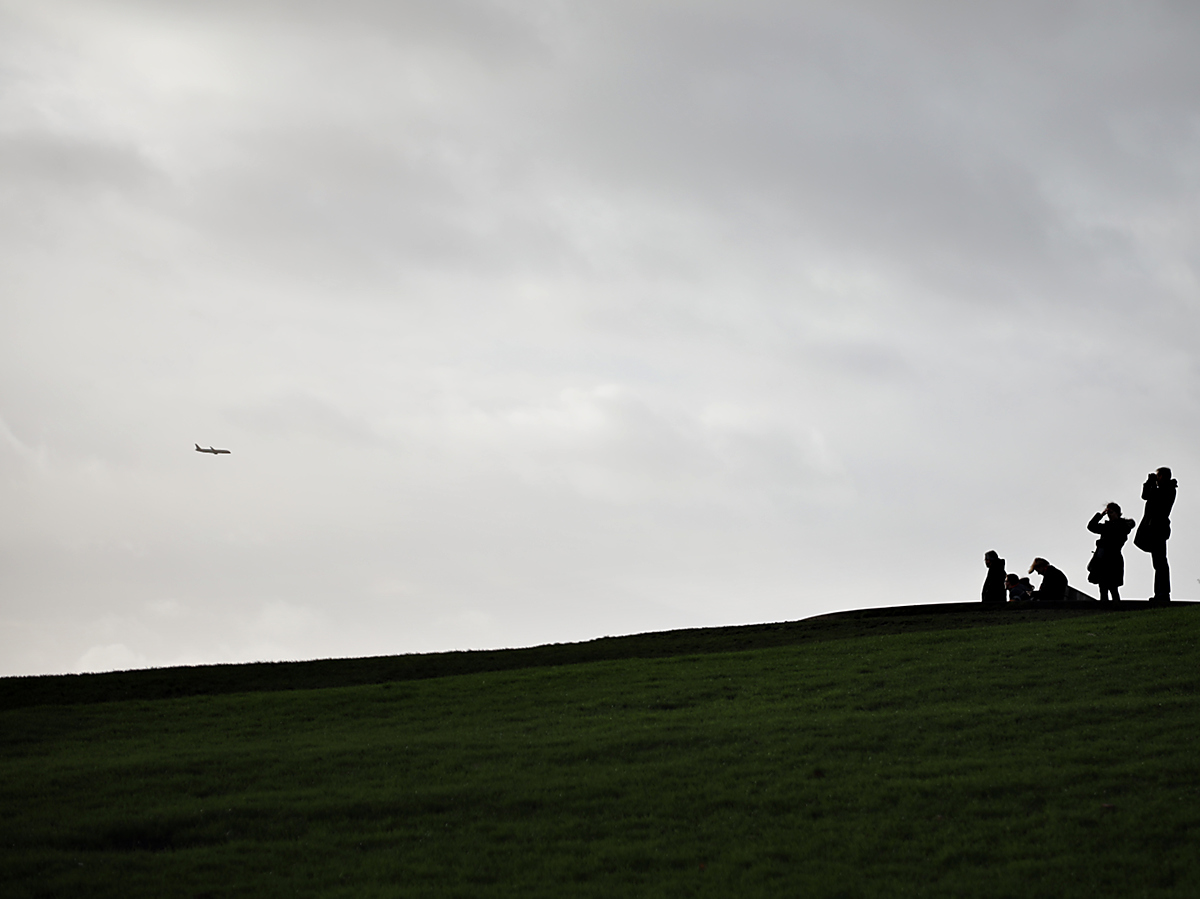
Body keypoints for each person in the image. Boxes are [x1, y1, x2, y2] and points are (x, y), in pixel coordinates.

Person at [1134, 467, 1177, 603]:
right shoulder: (1160, 489)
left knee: (1161, 563)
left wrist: (1152, 484)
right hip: (1153, 530)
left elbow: (1156, 499)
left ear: (1163, 477)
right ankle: (1159, 593)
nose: (1156, 479)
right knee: (1158, 563)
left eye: (1158, 476)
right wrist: (1149, 482)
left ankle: (1163, 593)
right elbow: (1145, 496)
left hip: (1159, 530)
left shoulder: (1169, 489)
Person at [1087, 502, 1136, 602]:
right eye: (1108, 512)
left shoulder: (1121, 526)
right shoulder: (1109, 526)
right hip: (1103, 559)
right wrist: (1100, 515)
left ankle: (1116, 608)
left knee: (1112, 588)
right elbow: (1091, 526)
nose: (1109, 515)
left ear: (1117, 513)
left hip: (1113, 560)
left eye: (1111, 512)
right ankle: (1105, 609)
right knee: (1103, 588)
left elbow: (1118, 530)